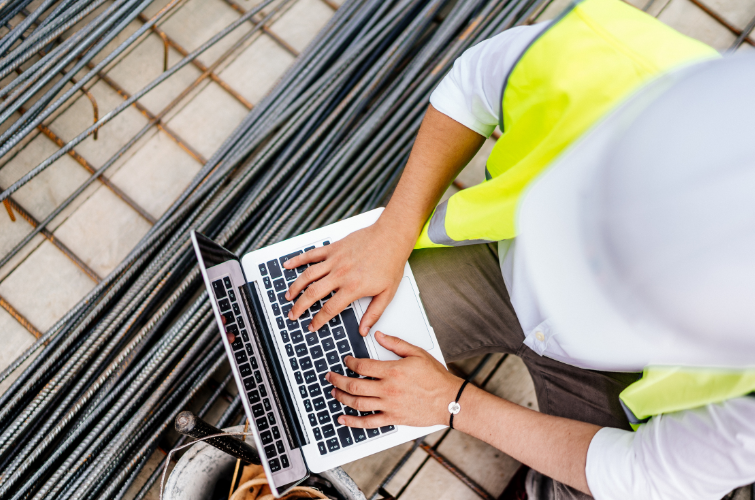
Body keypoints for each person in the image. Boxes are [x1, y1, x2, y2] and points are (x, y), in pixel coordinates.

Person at [281, 0, 755, 498]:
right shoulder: (612, 58)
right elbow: (472, 86)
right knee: (317, 330)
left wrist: (455, 404)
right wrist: (393, 231)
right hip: (502, 263)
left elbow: (648, 476)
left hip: (624, 376)